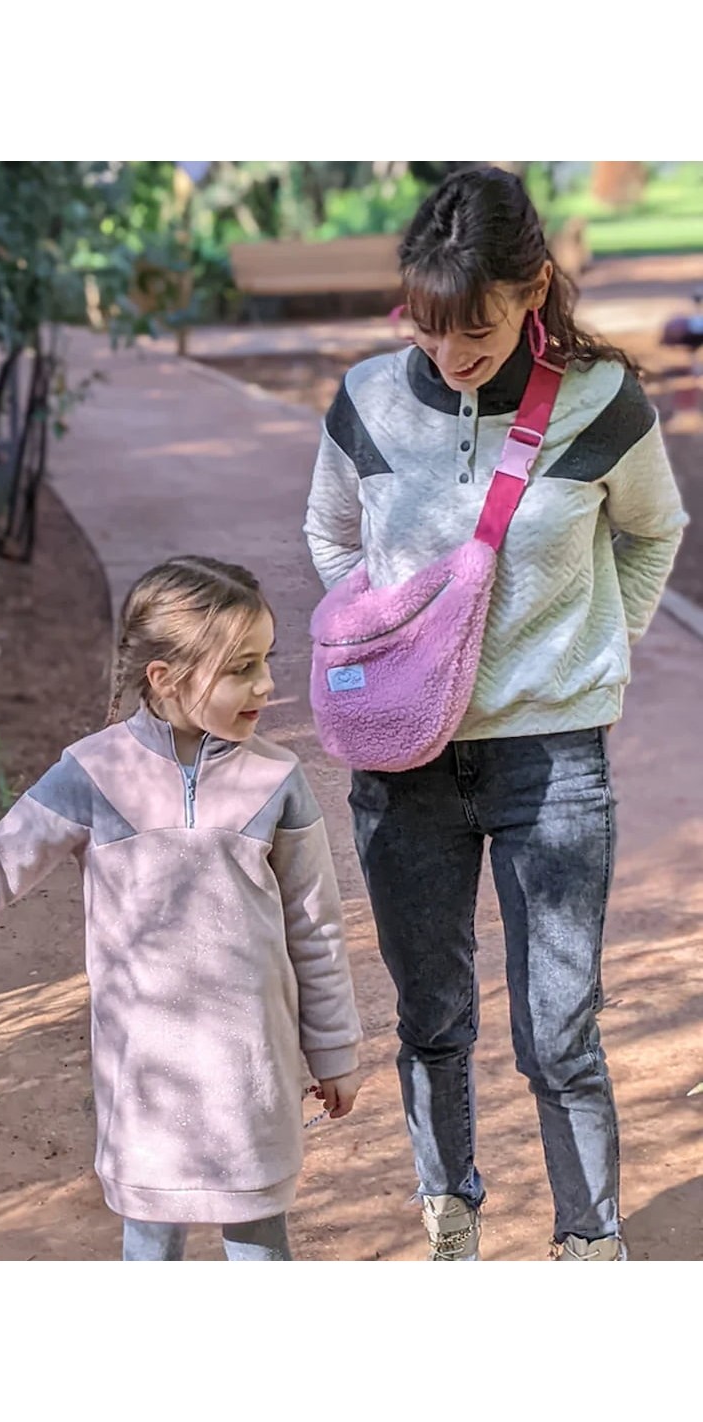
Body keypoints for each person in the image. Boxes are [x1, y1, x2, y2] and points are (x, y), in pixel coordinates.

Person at [304, 166, 687, 1262]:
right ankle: (452, 1223)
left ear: (532, 291)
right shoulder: (368, 399)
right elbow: (329, 533)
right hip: (402, 760)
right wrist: (386, 642)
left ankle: (588, 1244)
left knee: (557, 1030)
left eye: (473, 327)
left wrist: (594, 652)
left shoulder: (601, 401)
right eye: (427, 327)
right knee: (430, 1018)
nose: (449, 353)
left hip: (549, 756)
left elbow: (652, 531)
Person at [0, 555, 364, 1261]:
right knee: (150, 1252)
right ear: (165, 678)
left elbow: (315, 928)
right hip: (144, 1090)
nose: (267, 684)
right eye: (243, 668)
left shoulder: (278, 777)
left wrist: (333, 1051)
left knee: (260, 1249)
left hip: (251, 1083)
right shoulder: (94, 772)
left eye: (266, 660)